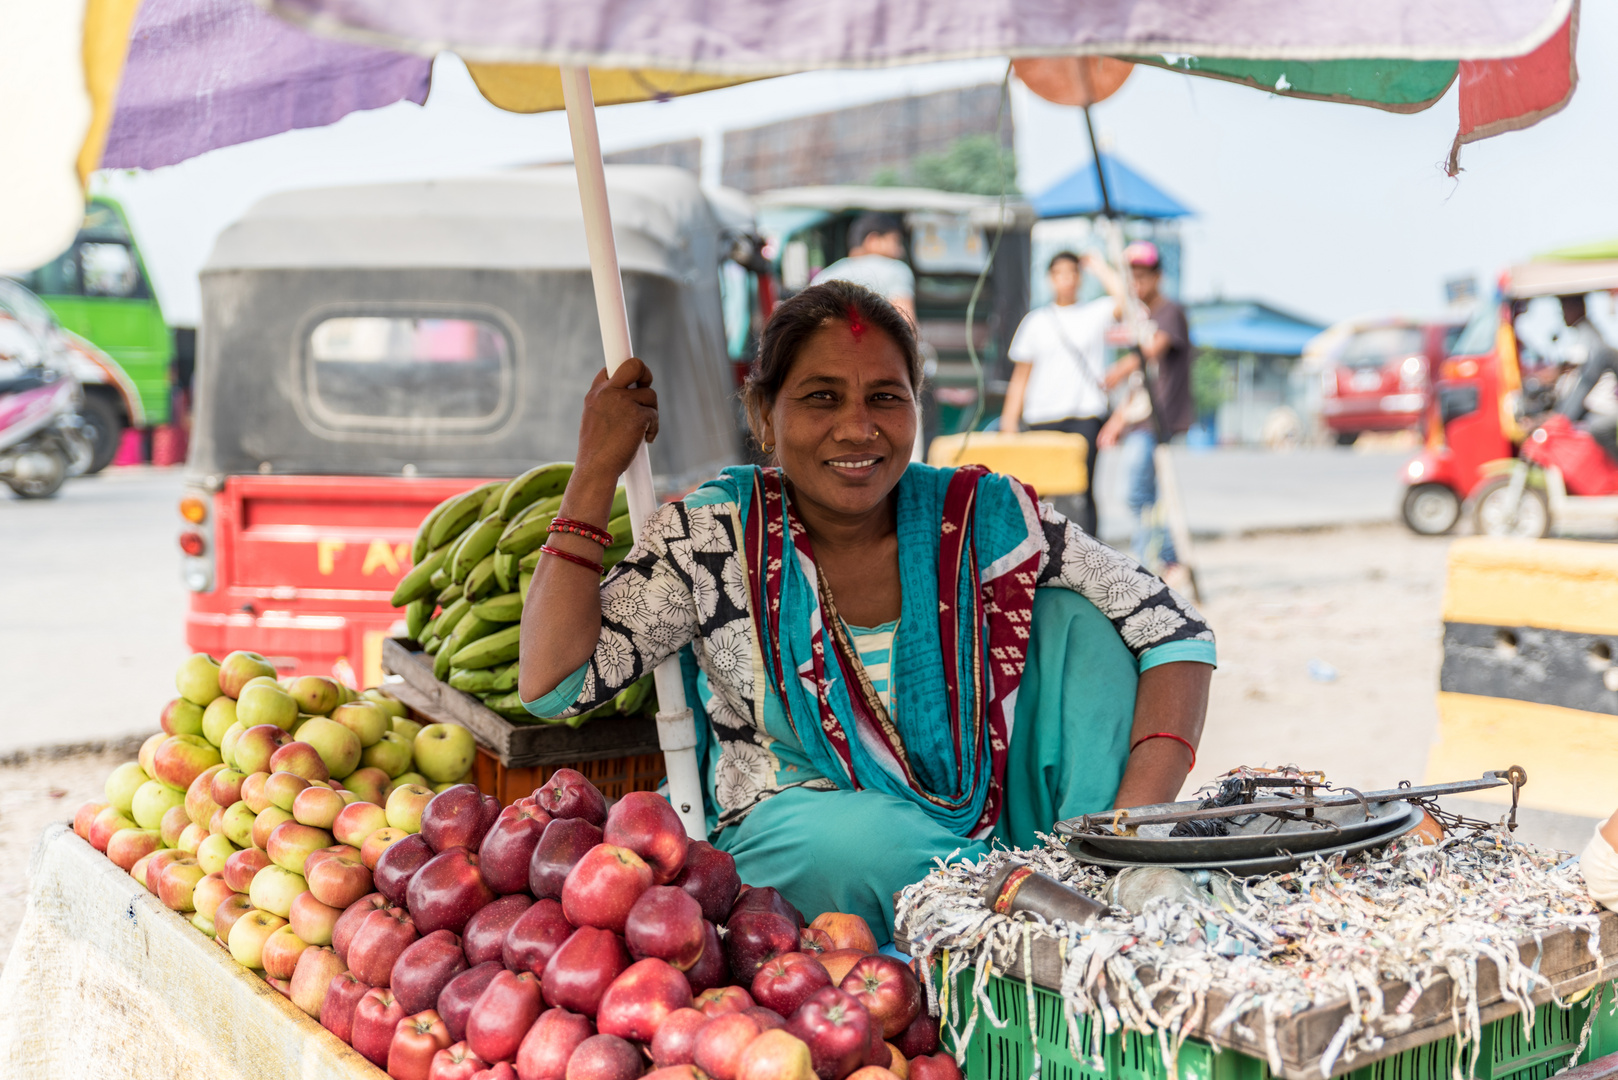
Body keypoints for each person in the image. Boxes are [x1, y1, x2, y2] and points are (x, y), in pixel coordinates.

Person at [518, 280, 1214, 942]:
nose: (858, 428)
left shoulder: (985, 517)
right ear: (764, 414)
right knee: (870, 847)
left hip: (1006, 822)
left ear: (917, 407)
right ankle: (1050, 921)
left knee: (1083, 629)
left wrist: (1132, 830)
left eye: (886, 397)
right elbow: (553, 684)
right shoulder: (717, 535)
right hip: (802, 821)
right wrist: (593, 470)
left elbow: (1175, 632)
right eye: (822, 398)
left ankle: (1091, 880)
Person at [1000, 251, 1125, 536]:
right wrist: (1009, 423)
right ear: (1050, 279)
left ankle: (1089, 553)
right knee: (1037, 490)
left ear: (1079, 277)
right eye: (1060, 273)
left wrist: (1099, 266)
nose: (1066, 279)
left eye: (1072, 272)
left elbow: (1126, 301)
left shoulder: (1095, 313)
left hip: (1085, 414)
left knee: (1082, 488)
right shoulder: (1035, 321)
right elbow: (1021, 377)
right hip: (1042, 416)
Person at [1098, 241, 1194, 580]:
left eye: (1142, 275)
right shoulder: (1143, 318)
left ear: (1157, 276)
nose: (1137, 282)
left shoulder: (1169, 312)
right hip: (1140, 418)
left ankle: (1154, 558)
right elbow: (1141, 381)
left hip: (1160, 417)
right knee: (1149, 494)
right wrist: (1117, 420)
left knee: (1136, 491)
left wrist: (1117, 371)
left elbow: (1153, 351)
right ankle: (1166, 558)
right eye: (1132, 276)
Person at [812, 212, 916, 325]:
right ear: (873, 240)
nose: (900, 251)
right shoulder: (896, 269)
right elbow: (906, 325)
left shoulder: (823, 276)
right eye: (895, 242)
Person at [1552, 293, 1618, 463]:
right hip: (1593, 406)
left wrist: (1564, 415)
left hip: (1602, 406)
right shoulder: (1582, 334)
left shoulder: (1589, 338)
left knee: (1595, 428)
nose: (1562, 315)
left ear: (1578, 307)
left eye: (1564, 308)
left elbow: (1583, 382)